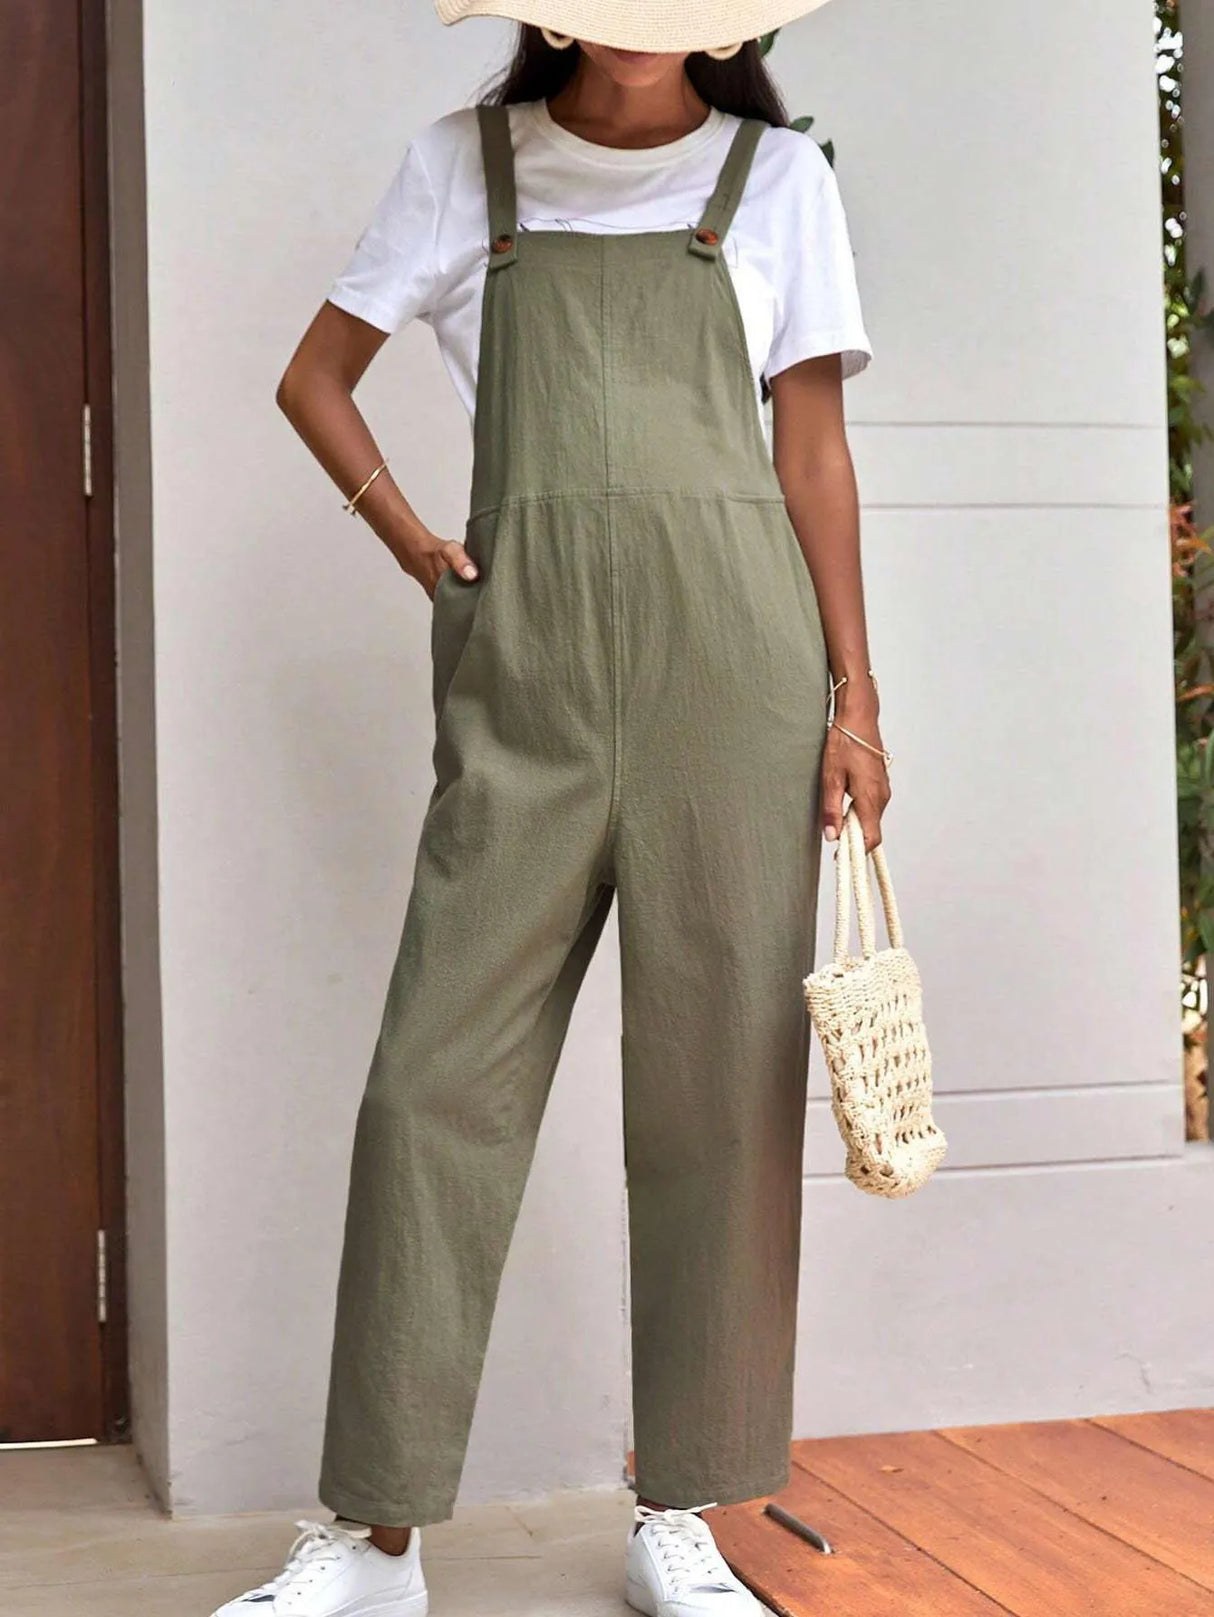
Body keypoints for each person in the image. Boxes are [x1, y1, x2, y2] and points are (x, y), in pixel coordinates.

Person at [216, 2, 889, 1613]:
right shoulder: (467, 168)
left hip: (734, 670)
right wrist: (415, 544)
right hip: (524, 673)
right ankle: (375, 1537)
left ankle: (683, 1510)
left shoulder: (777, 180)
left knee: (717, 1093)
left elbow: (810, 452)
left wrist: (854, 696)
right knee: (430, 1088)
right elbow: (316, 379)